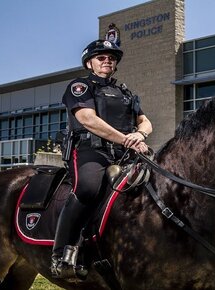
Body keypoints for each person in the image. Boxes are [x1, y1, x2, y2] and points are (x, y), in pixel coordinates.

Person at [51, 39, 152, 278]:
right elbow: (88, 119)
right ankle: (62, 254)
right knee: (87, 188)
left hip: (125, 153)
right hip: (90, 151)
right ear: (89, 63)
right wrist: (125, 139)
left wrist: (139, 134)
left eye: (111, 58)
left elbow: (146, 121)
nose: (107, 60)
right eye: (101, 57)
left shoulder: (125, 92)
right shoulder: (80, 87)